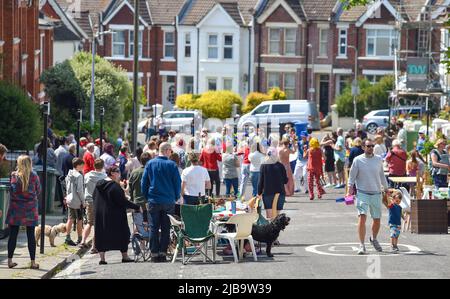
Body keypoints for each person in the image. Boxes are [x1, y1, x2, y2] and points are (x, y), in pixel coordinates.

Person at [347, 139, 389, 255]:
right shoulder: (358, 160)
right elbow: (351, 177)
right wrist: (349, 190)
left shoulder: (378, 160)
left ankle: (373, 238)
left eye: (372, 146)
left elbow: (381, 175)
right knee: (362, 217)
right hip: (362, 193)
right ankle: (361, 244)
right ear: (363, 147)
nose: (370, 148)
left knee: (377, 220)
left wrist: (386, 189)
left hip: (376, 193)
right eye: (368, 146)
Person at [142, 142, 181, 263]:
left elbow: (144, 183)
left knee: (153, 227)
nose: (171, 153)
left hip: (154, 199)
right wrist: (175, 196)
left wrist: (146, 196)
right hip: (168, 200)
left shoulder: (150, 163)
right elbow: (177, 183)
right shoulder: (172, 165)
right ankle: (162, 253)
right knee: (166, 227)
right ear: (167, 150)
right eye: (171, 151)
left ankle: (154, 254)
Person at [94, 166, 139, 265]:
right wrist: (136, 207)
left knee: (102, 234)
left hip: (100, 214)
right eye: (118, 171)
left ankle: (102, 258)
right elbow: (123, 201)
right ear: (112, 173)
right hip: (115, 215)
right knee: (123, 233)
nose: (119, 173)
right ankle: (125, 256)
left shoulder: (98, 184)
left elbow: (94, 198)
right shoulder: (114, 186)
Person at [6, 155, 41, 269]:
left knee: (13, 235)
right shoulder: (34, 176)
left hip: (16, 209)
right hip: (30, 209)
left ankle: (10, 261)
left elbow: (11, 190)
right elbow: (38, 190)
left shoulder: (14, 175)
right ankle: (32, 262)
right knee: (30, 235)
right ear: (30, 163)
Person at [79, 159, 107, 252]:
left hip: (89, 201)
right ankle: (94, 247)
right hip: (99, 202)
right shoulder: (104, 177)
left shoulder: (87, 175)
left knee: (89, 223)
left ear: (94, 166)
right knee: (97, 225)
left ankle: (83, 241)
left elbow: (84, 187)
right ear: (102, 166)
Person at [258, 148, 288, 219]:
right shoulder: (280, 165)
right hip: (280, 193)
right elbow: (285, 181)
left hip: (268, 193)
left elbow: (260, 181)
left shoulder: (263, 166)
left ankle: (270, 230)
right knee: (277, 218)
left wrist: (259, 193)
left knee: (269, 217)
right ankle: (276, 230)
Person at [64, 158, 85, 246]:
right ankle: (79, 238)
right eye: (82, 165)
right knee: (79, 219)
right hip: (77, 200)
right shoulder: (79, 176)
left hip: (70, 198)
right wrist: (83, 201)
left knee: (70, 218)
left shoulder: (69, 174)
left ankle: (67, 237)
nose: (83, 167)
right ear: (78, 165)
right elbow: (80, 190)